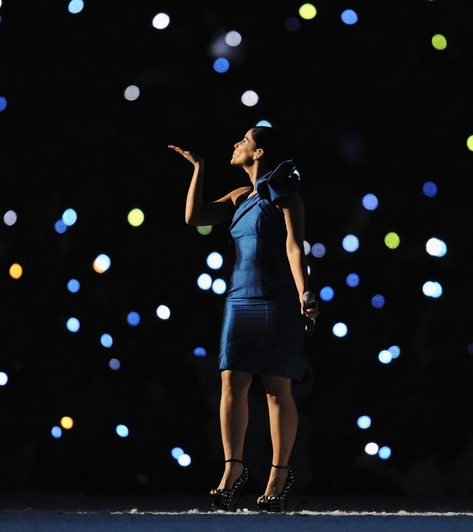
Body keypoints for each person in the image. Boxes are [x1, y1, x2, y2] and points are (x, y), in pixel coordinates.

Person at [168, 127, 318, 513]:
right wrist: (198, 168)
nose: (235, 143)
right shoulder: (239, 196)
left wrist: (305, 291)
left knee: (275, 388)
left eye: (244, 140)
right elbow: (194, 218)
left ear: (259, 151)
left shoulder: (285, 191)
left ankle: (278, 474)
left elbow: (294, 245)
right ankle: (233, 469)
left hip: (278, 298)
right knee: (231, 380)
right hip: (240, 296)